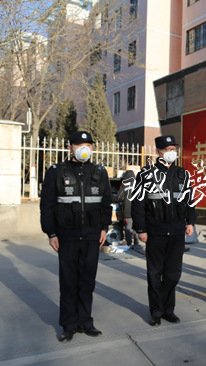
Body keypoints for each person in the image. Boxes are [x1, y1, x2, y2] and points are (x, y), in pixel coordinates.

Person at [40, 131, 111, 342]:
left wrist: (104, 228)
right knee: (69, 282)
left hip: (91, 235)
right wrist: (51, 232)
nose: (83, 148)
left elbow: (106, 202)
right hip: (67, 235)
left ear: (93, 148)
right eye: (79, 144)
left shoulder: (99, 171)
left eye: (87, 144)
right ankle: (69, 325)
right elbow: (47, 205)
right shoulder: (56, 172)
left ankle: (85, 322)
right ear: (69, 147)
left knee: (87, 281)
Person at [131, 135, 196, 326]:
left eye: (173, 149)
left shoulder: (182, 174)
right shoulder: (146, 174)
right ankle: (156, 312)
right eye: (167, 149)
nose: (171, 153)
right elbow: (138, 204)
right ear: (158, 152)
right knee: (155, 274)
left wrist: (190, 222)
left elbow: (189, 200)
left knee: (173, 274)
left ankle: (169, 310)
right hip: (155, 232)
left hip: (176, 232)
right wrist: (141, 228)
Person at [117, 170, 139, 247]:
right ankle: (136, 243)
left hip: (127, 211)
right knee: (136, 227)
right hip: (137, 211)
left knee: (128, 228)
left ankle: (129, 244)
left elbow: (119, 197)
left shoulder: (125, 185)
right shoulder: (138, 184)